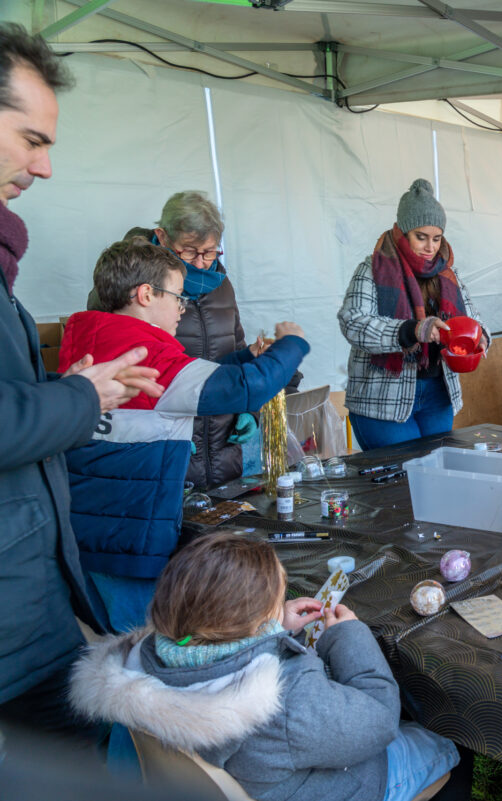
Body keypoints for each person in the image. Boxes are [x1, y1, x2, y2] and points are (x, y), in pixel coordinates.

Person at [0, 24, 163, 747]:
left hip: (32, 594)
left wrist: (67, 390)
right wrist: (79, 398)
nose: (44, 167)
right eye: (32, 140)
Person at [69, 532, 462, 801]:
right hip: (336, 787)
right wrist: (349, 636)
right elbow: (378, 720)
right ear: (252, 621)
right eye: (276, 600)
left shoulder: (149, 658)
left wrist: (273, 627)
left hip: (254, 778)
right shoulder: (284, 698)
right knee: (447, 738)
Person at [60, 238, 309, 632]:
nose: (182, 308)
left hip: (85, 531)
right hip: (130, 541)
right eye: (178, 296)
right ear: (145, 294)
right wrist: (293, 343)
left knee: (113, 639)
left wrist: (244, 357)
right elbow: (249, 388)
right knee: (142, 646)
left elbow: (194, 378)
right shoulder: (149, 357)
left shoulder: (91, 340)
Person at [89, 191, 278, 490]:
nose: (201, 264)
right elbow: (110, 368)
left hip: (221, 440)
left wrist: (248, 409)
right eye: (189, 252)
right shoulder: (126, 280)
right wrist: (156, 430)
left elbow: (237, 348)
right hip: (162, 440)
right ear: (163, 236)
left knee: (223, 514)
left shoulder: (221, 284)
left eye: (210, 252)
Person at [339, 179, 489, 449]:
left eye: (436, 238)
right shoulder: (372, 269)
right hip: (383, 400)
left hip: (438, 396)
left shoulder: (448, 273)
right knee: (403, 472)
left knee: (436, 470)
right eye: (421, 237)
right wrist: (412, 330)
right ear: (403, 232)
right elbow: (353, 323)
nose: (430, 247)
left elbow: (473, 319)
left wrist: (481, 337)